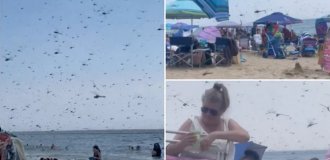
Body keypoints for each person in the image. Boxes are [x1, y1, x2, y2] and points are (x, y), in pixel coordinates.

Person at [166, 83, 250, 160]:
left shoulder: (227, 124)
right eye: (204, 109)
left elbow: (245, 137)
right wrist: (182, 144)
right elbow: (168, 152)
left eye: (213, 112)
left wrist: (214, 135)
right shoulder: (191, 124)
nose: (208, 114)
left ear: (222, 111)